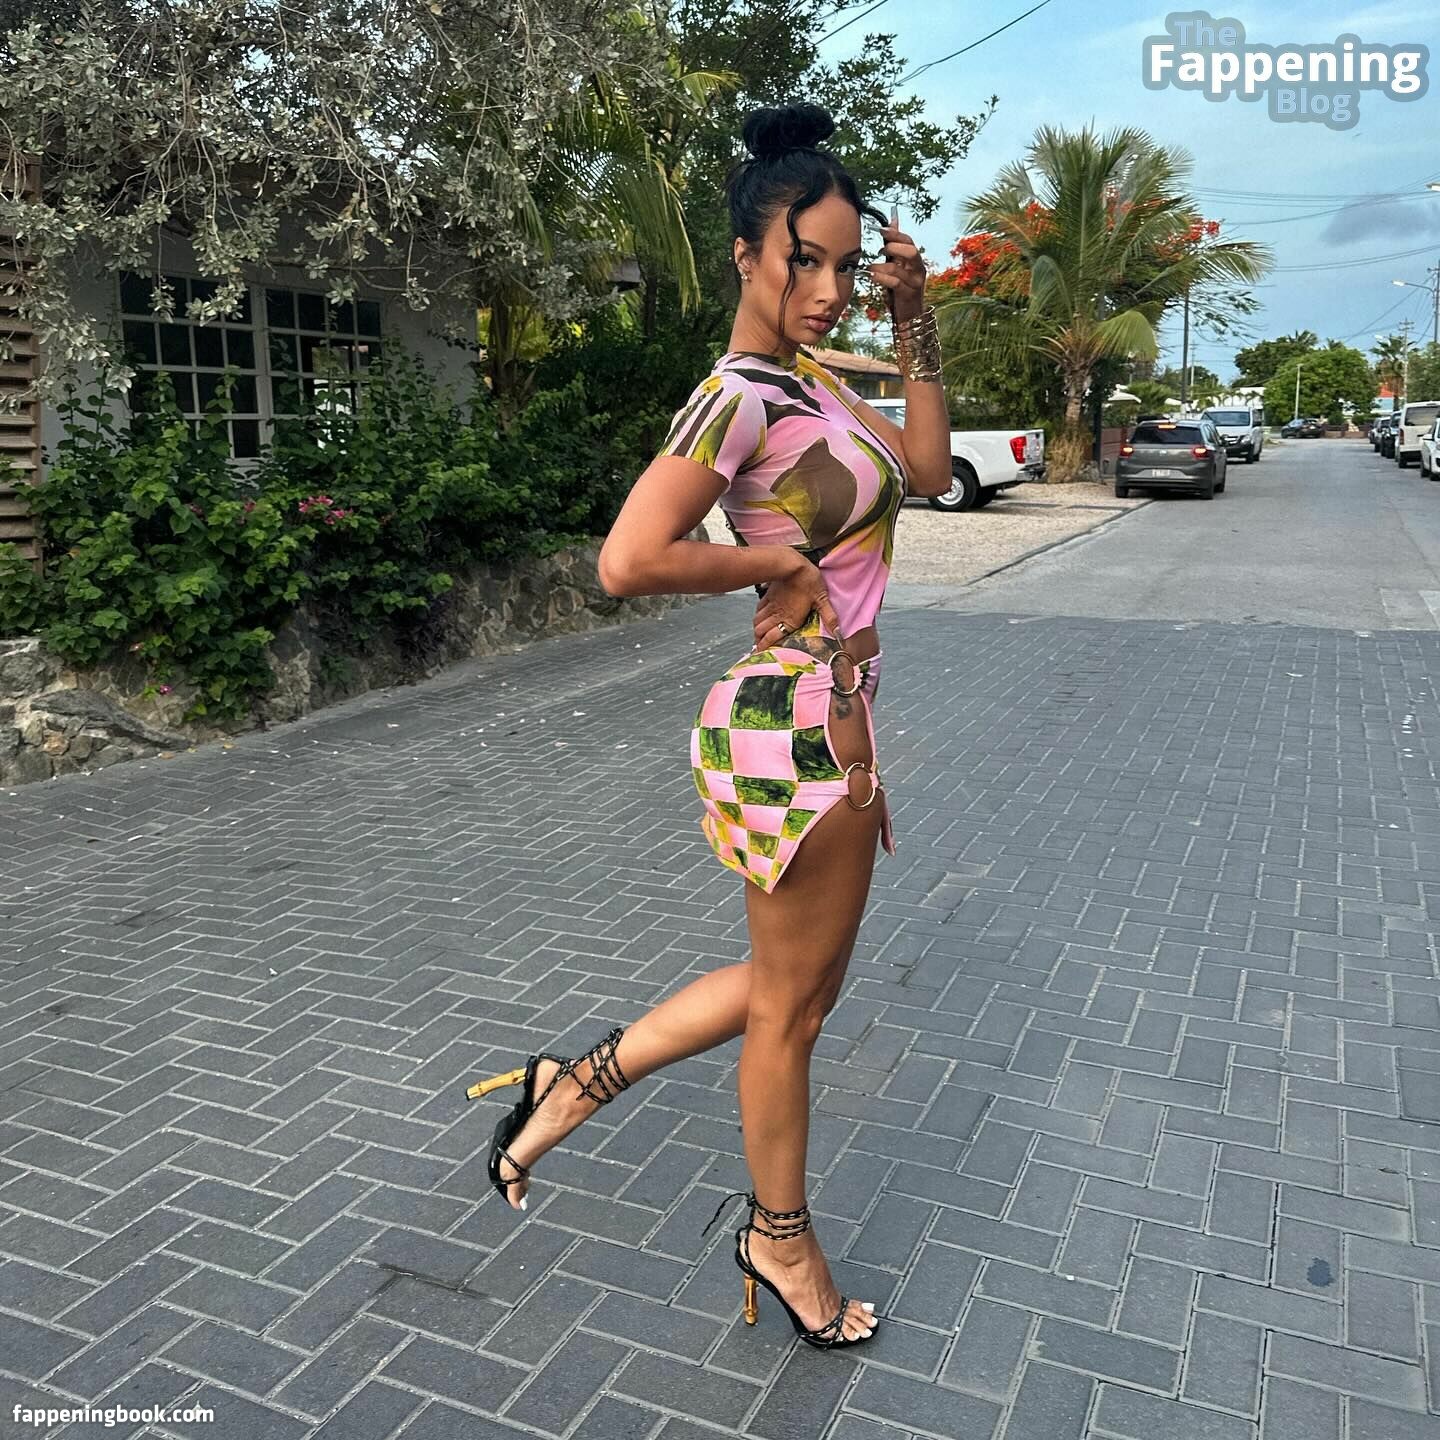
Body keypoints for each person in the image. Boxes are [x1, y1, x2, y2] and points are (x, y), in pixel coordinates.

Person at [465, 101, 952, 1351]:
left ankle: (570, 1088)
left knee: (793, 989)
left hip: (828, 711)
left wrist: (914, 319)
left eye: (847, 265)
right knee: (793, 1013)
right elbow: (627, 558)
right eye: (805, 261)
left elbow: (929, 472)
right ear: (746, 255)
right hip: (796, 722)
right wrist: (770, 566)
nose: (827, 289)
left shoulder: (812, 381)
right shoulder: (734, 397)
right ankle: (780, 1241)